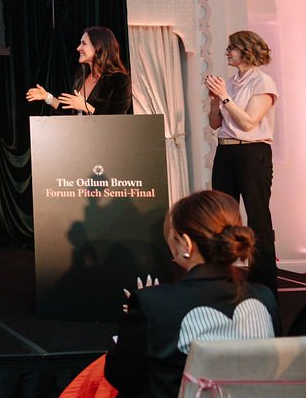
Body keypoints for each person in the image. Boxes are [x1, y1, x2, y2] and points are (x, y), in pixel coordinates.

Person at [104, 190, 279, 397]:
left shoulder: (153, 303)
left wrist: (139, 314)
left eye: (171, 236)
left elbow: (120, 375)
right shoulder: (264, 297)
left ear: (185, 243)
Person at [206, 30, 278, 293]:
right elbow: (215, 124)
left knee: (257, 217)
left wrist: (225, 97)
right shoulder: (230, 81)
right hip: (225, 152)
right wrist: (215, 102)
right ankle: (224, 278)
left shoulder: (263, 82)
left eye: (232, 47)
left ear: (246, 50)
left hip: (252, 153)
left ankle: (264, 284)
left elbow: (248, 123)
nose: (227, 51)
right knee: (222, 217)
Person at [25, 26, 132, 115]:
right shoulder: (82, 75)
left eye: (84, 43)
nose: (78, 48)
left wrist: (86, 107)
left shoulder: (120, 80)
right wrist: (47, 97)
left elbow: (118, 121)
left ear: (98, 47)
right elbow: (69, 109)